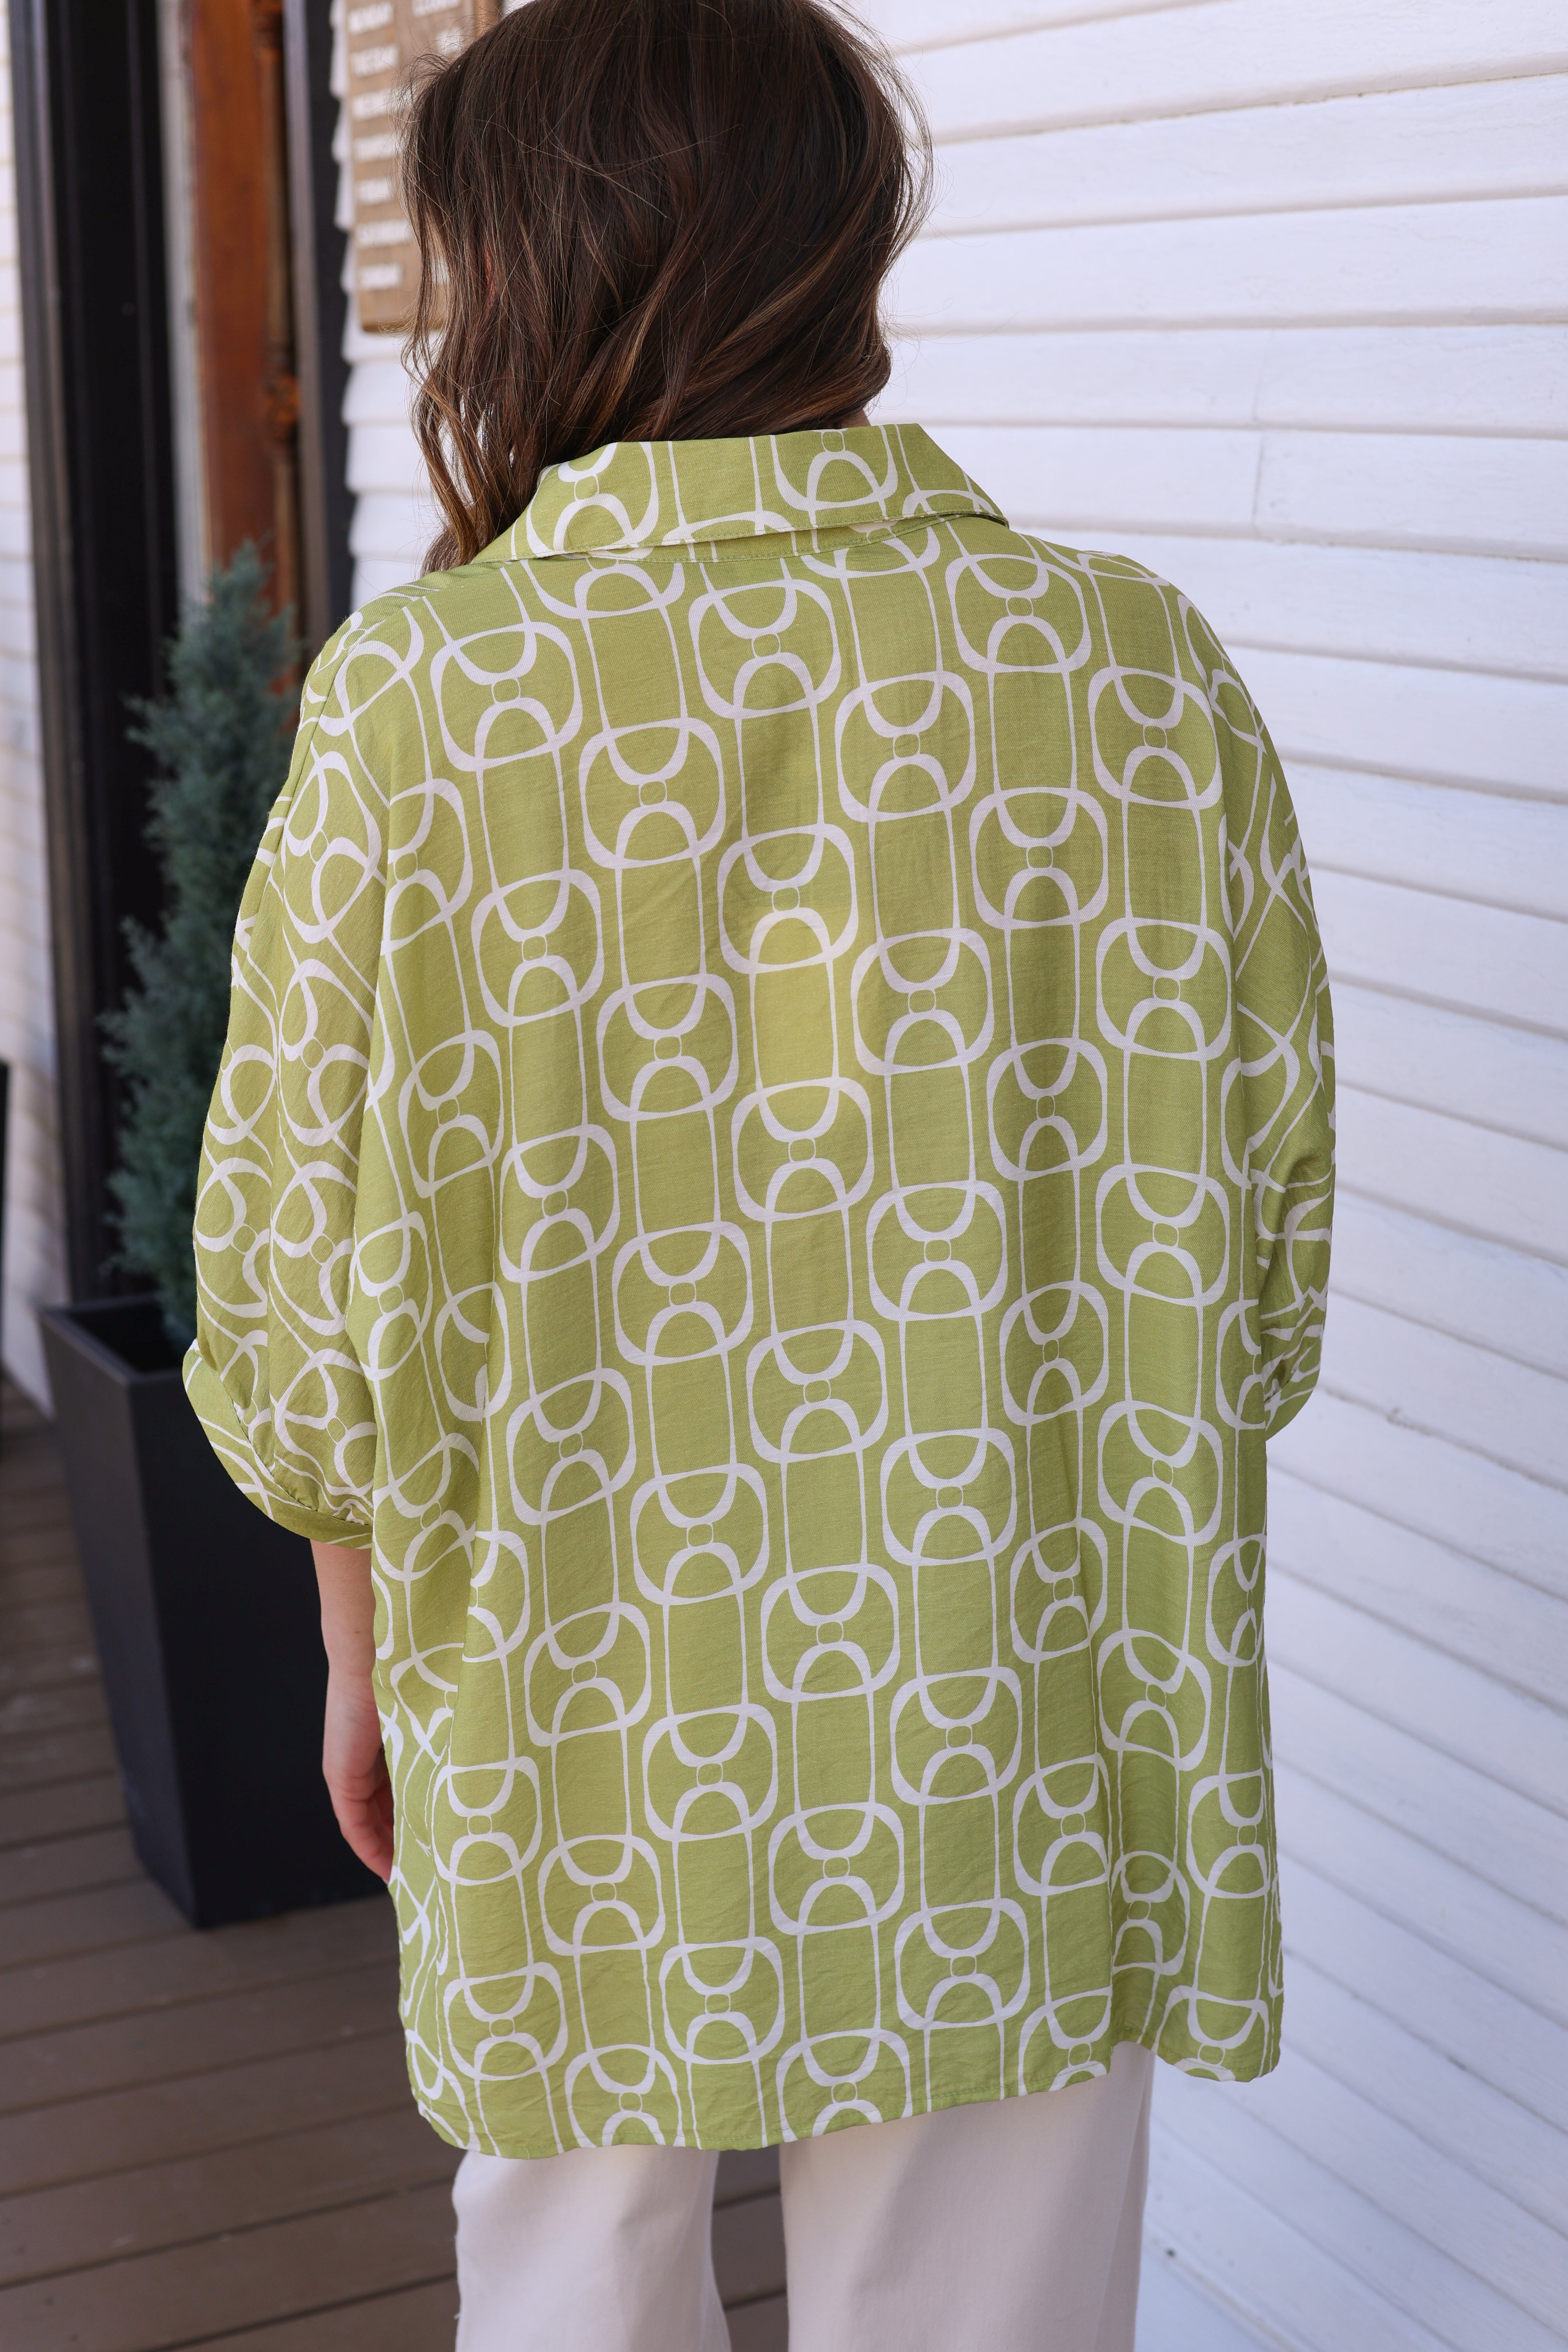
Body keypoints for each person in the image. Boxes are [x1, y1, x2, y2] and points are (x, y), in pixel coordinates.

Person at [185, 0, 1335, 2343]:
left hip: (573, 1709)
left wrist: (355, 1651)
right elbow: (1258, 1274)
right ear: (842, 245)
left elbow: (305, 1320)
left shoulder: (427, 714)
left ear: (535, 270)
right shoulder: (1134, 677)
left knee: (577, 2286)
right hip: (1021, 1688)